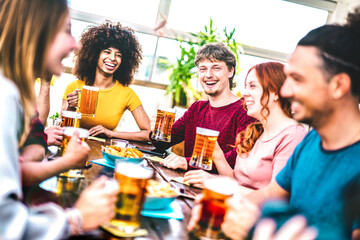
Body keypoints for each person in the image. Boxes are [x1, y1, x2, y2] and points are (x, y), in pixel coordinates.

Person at [219, 7, 360, 239]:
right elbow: (271, 194)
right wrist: (224, 208)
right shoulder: (313, 140)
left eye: (297, 79)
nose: (285, 90)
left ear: (338, 86)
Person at [0, 0, 119, 238]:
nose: (75, 44)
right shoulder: (5, 94)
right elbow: (6, 226)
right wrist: (76, 220)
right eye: (65, 30)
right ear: (33, 29)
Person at [184, 62, 307, 189]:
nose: (244, 93)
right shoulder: (256, 131)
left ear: (276, 92)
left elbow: (275, 197)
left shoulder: (293, 135)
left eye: (252, 86)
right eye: (246, 86)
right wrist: (218, 156)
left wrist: (213, 182)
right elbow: (238, 182)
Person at [151, 42, 256, 174]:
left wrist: (187, 162)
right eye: (203, 69)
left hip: (217, 189)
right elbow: (163, 143)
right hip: (187, 183)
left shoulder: (245, 111)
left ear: (231, 71)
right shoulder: (197, 108)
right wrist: (156, 130)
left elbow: (235, 160)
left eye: (216, 68)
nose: (208, 75)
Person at [61, 22, 150, 141]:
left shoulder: (127, 94)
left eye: (118, 55)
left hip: (105, 154)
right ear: (95, 55)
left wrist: (111, 133)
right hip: (73, 145)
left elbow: (149, 133)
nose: (112, 58)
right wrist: (71, 107)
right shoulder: (75, 87)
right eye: (107, 52)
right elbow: (62, 126)